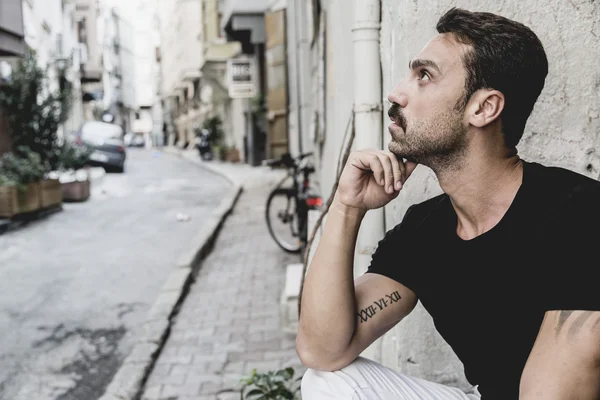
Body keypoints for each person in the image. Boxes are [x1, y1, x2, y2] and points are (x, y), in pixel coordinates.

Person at [296, 7, 600, 400]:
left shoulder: (579, 214)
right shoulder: (426, 230)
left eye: (424, 75)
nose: (396, 93)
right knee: (328, 380)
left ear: (483, 108)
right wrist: (346, 207)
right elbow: (321, 349)